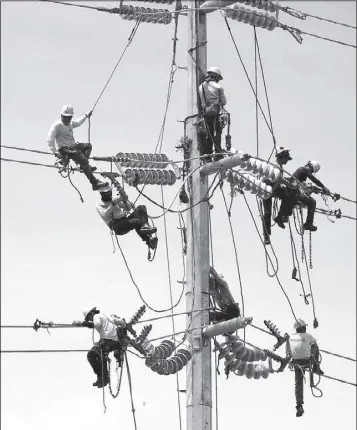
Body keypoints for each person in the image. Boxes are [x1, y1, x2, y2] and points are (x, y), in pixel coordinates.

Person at [47, 105, 108, 191]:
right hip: (64, 149)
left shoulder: (70, 123)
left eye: (69, 117)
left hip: (73, 147)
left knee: (88, 146)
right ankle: (94, 183)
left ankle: (82, 166)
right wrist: (55, 152)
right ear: (62, 116)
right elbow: (50, 139)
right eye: (65, 117)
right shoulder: (57, 125)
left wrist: (86, 115)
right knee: (83, 159)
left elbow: (79, 122)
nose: (67, 119)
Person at [73, 307, 128, 388]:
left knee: (91, 355)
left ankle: (103, 378)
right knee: (99, 355)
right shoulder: (109, 316)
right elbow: (123, 323)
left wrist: (82, 323)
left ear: (91, 313)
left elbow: (96, 324)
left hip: (108, 341)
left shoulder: (97, 316)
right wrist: (123, 333)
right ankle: (103, 378)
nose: (90, 320)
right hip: (113, 343)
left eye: (89, 318)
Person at [96, 184, 158, 250]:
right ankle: (148, 239)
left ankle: (146, 228)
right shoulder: (99, 205)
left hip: (125, 219)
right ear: (102, 194)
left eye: (109, 193)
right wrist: (114, 203)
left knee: (141, 208)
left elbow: (128, 208)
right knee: (137, 221)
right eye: (107, 193)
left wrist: (125, 201)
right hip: (117, 226)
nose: (109, 195)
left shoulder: (114, 198)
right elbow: (105, 214)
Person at [274, 160, 331, 232]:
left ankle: (280, 217)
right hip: (293, 191)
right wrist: (323, 187)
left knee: (297, 200)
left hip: (293, 190)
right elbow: (315, 180)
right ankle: (308, 223)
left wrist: (318, 190)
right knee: (312, 202)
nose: (311, 172)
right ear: (311, 167)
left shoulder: (301, 171)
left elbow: (305, 186)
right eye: (312, 171)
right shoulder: (304, 169)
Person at [286, 318, 324, 417]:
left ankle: (299, 405)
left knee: (298, 383)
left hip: (296, 363)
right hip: (306, 361)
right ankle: (316, 366)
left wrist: (289, 359)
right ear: (303, 328)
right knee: (315, 346)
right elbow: (314, 345)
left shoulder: (290, 337)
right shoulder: (308, 336)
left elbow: (288, 351)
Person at [262, 147, 293, 245]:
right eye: (286, 158)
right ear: (281, 156)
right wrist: (289, 185)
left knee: (267, 213)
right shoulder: (275, 166)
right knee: (289, 194)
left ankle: (267, 236)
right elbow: (279, 178)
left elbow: (279, 179)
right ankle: (282, 216)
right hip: (267, 188)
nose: (286, 161)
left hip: (270, 189)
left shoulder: (277, 165)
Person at [199, 67, 227, 160]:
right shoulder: (218, 87)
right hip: (216, 114)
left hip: (206, 113)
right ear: (216, 77)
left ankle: (207, 155)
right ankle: (218, 154)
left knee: (209, 135)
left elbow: (203, 103)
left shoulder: (201, 87)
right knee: (217, 133)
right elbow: (224, 102)